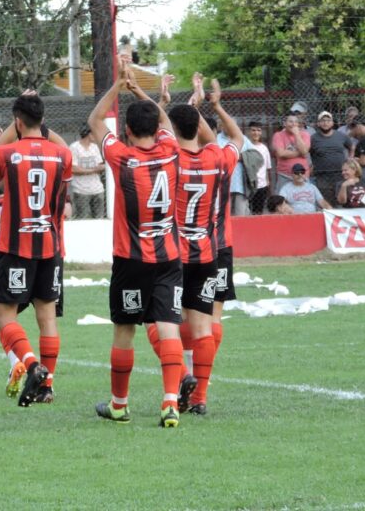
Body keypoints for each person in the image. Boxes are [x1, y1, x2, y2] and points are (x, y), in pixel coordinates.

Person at [88, 57, 185, 428]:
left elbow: (95, 121)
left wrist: (118, 83)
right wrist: (142, 92)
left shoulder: (121, 157)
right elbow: (163, 120)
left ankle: (119, 404)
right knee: (168, 326)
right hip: (168, 257)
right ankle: (171, 402)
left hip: (130, 259)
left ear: (127, 130)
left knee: (125, 329)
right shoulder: (171, 150)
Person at [157, 75, 242, 417]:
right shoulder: (218, 158)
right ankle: (200, 396)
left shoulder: (167, 157)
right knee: (208, 321)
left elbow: (153, 133)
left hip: (175, 250)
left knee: (161, 321)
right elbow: (233, 137)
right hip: (216, 245)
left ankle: (182, 377)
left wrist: (162, 103)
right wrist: (213, 105)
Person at [0, 91, 71, 407]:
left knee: (3, 317)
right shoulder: (63, 156)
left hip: (15, 247)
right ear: (43, 120)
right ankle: (47, 386)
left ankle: (32, 366)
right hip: (50, 245)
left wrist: (16, 123)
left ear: (18, 122)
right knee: (47, 318)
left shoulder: (6, 154)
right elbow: (61, 165)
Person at [310, 111, 357, 207]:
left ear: (332, 123)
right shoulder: (313, 138)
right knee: (326, 204)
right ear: (318, 123)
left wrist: (350, 158)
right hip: (322, 176)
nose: (325, 123)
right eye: (322, 121)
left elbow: (351, 147)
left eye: (328, 120)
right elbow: (306, 151)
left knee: (342, 202)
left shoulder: (341, 135)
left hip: (340, 174)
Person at [69, 124, 106, 219]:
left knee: (99, 219)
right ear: (89, 134)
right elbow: (73, 169)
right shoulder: (74, 147)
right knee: (83, 219)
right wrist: (93, 170)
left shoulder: (95, 147)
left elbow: (101, 166)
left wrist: (85, 170)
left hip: (97, 189)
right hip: (81, 190)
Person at [272, 110, 311, 193]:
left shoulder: (305, 134)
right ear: (284, 123)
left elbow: (304, 152)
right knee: (282, 200)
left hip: (302, 174)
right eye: (290, 121)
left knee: (302, 199)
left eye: (296, 122)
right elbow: (281, 153)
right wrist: (299, 153)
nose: (294, 124)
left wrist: (297, 135)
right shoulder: (278, 135)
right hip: (284, 174)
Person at [246, 121, 273, 214]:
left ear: (261, 132)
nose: (256, 133)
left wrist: (267, 181)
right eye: (253, 130)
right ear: (249, 132)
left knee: (259, 211)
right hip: (248, 184)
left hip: (262, 185)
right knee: (247, 210)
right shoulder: (245, 146)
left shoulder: (264, 148)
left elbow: (267, 167)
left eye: (258, 130)